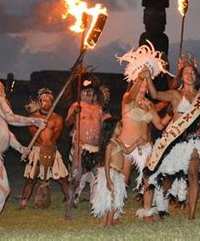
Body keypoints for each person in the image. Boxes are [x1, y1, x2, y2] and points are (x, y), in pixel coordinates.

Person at [144, 53, 200, 220]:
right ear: (181, 76)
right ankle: (161, 208)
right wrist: (148, 78)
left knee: (193, 175)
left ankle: (191, 216)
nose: (190, 75)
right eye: (186, 72)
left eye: (192, 73)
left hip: (195, 142)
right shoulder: (175, 94)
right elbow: (155, 95)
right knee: (167, 178)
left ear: (196, 76)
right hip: (175, 141)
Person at [0, 79, 45, 231]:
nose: (1, 90)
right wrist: (34, 120)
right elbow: (12, 118)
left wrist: (21, 148)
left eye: (2, 88)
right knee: (3, 189)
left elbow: (8, 135)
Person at [116, 42, 172, 218]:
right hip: (126, 145)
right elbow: (131, 94)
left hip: (145, 146)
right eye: (141, 83)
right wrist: (141, 76)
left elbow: (159, 125)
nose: (144, 86)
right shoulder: (127, 98)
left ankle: (147, 211)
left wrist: (172, 112)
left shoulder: (149, 104)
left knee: (150, 178)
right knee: (122, 179)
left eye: (147, 84)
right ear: (135, 80)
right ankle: (115, 211)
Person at [65, 73, 110, 207]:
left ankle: (95, 201)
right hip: (81, 146)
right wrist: (74, 114)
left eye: (91, 91)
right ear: (80, 93)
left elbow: (104, 128)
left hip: (96, 148)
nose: (89, 93)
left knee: (98, 175)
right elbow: (67, 123)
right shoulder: (76, 106)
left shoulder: (99, 109)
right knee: (77, 174)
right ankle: (72, 200)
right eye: (85, 91)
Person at [20, 88, 68, 209]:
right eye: (43, 100)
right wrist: (43, 143)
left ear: (52, 102)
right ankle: (23, 202)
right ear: (39, 102)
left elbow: (57, 133)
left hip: (52, 149)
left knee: (62, 178)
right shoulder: (33, 117)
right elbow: (34, 133)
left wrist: (50, 144)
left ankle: (70, 200)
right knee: (31, 178)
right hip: (37, 150)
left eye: (48, 100)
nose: (46, 103)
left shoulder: (57, 118)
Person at [90, 118, 144, 228]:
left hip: (118, 174)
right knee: (110, 198)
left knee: (116, 199)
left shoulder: (118, 141)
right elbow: (106, 162)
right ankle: (106, 222)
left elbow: (127, 151)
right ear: (112, 129)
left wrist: (136, 143)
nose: (121, 128)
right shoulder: (110, 144)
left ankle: (109, 221)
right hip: (111, 172)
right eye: (119, 126)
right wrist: (108, 179)